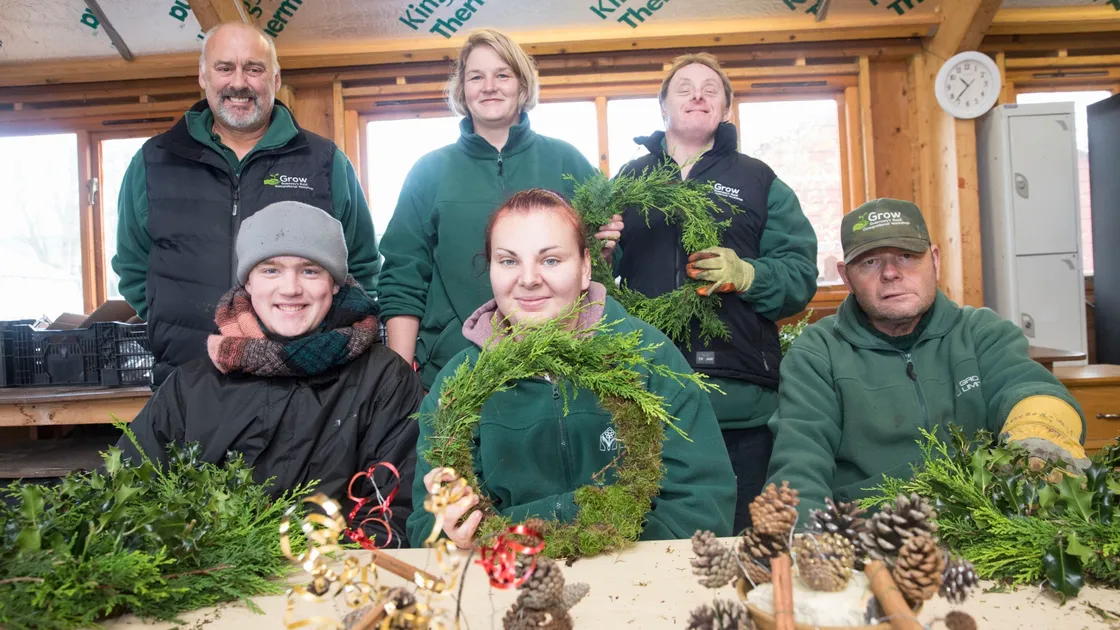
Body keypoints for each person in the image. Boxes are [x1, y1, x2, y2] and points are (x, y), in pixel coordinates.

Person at [405, 189, 736, 548]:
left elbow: (703, 503)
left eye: (550, 260)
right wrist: (452, 532)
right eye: (508, 261)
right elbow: (426, 524)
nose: (528, 279)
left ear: (585, 268)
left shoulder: (650, 357)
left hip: (635, 578)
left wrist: (608, 549)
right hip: (505, 578)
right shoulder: (458, 384)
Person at [600, 53, 818, 533]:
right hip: (645, 396)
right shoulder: (628, 182)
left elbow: (801, 275)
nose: (697, 95)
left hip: (740, 405)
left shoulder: (760, 181)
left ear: (726, 109)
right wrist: (600, 251)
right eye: (684, 88)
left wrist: (749, 275)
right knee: (648, 547)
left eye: (710, 89)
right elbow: (592, 280)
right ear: (663, 107)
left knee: (741, 544)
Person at [118, 201, 423, 542]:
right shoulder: (190, 386)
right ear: (248, 282)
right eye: (270, 270)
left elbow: (393, 511)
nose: (290, 288)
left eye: (310, 270)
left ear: (335, 284)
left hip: (335, 583)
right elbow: (130, 496)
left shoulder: (383, 379)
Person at [766, 198, 1089, 518]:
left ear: (934, 260)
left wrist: (1040, 435)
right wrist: (805, 545)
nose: (891, 273)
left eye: (907, 256)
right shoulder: (817, 352)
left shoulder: (982, 332)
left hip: (984, 525)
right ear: (846, 277)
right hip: (867, 536)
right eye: (870, 262)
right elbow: (799, 460)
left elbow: (1026, 385)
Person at [112, 23, 378, 386]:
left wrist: (314, 338)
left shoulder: (325, 161)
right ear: (203, 76)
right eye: (225, 68)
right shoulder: (153, 162)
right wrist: (172, 320)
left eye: (254, 68)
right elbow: (132, 268)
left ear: (276, 78)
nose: (239, 82)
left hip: (305, 385)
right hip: (186, 378)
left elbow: (360, 266)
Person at [377, 28, 598, 390]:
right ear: (462, 90)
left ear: (522, 86)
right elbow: (403, 276)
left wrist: (607, 243)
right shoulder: (428, 172)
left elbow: (601, 264)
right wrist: (400, 382)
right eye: (476, 77)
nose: (489, 86)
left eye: (502, 75)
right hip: (452, 368)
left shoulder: (568, 161)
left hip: (561, 366)